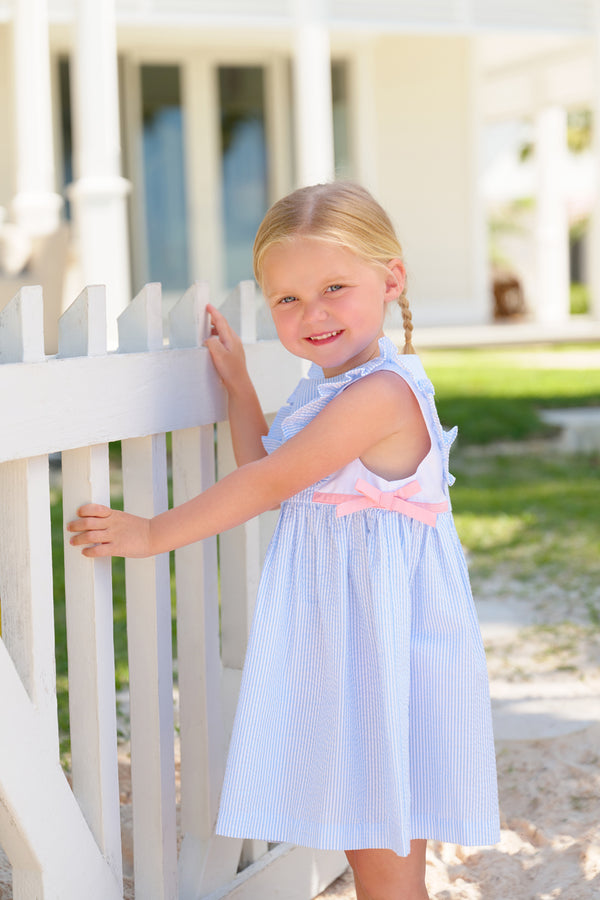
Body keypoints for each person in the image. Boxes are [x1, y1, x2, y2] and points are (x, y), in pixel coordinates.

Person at [68, 182, 500, 900]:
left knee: (386, 864)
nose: (313, 314)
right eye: (288, 300)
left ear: (391, 278)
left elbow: (264, 487)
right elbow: (270, 470)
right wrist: (238, 388)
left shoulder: (379, 395)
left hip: (382, 651)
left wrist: (152, 533)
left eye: (335, 286)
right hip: (353, 642)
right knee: (374, 847)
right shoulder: (329, 389)